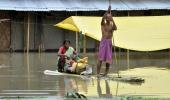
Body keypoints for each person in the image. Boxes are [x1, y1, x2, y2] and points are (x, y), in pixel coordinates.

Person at [97, 5, 117, 76]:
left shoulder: (111, 25)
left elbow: (115, 28)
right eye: (107, 18)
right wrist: (107, 11)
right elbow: (103, 18)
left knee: (108, 59)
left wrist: (112, 20)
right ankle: (98, 73)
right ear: (106, 18)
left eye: (109, 18)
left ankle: (106, 73)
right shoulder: (103, 24)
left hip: (109, 42)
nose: (108, 19)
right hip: (103, 41)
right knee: (100, 58)